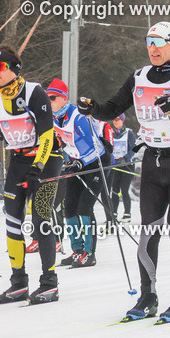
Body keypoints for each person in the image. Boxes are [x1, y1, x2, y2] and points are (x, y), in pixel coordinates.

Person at [77, 21, 170, 322]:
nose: (152, 48)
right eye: (149, 41)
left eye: (159, 42)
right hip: (153, 161)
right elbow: (113, 108)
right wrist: (93, 108)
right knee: (147, 233)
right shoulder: (138, 76)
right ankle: (148, 296)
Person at [0, 47, 64, 304]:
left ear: (14, 69)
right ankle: (19, 283)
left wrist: (38, 167)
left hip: (47, 159)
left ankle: (49, 283)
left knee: (41, 218)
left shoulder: (34, 92)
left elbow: (47, 134)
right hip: (19, 160)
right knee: (12, 219)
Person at [50, 79, 108, 268]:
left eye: (53, 97)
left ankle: (89, 253)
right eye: (47, 97)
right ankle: (77, 250)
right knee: (69, 208)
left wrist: (80, 162)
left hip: (95, 161)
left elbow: (93, 148)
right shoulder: (53, 117)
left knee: (84, 207)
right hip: (77, 163)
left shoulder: (78, 116)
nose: (49, 101)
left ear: (64, 99)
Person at [109, 114, 137, 221]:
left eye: (117, 119)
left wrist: (125, 158)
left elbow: (134, 148)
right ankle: (114, 213)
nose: (115, 121)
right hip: (115, 166)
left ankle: (127, 213)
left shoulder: (128, 132)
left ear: (122, 120)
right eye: (113, 119)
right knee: (115, 190)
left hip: (127, 165)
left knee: (124, 189)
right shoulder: (110, 132)